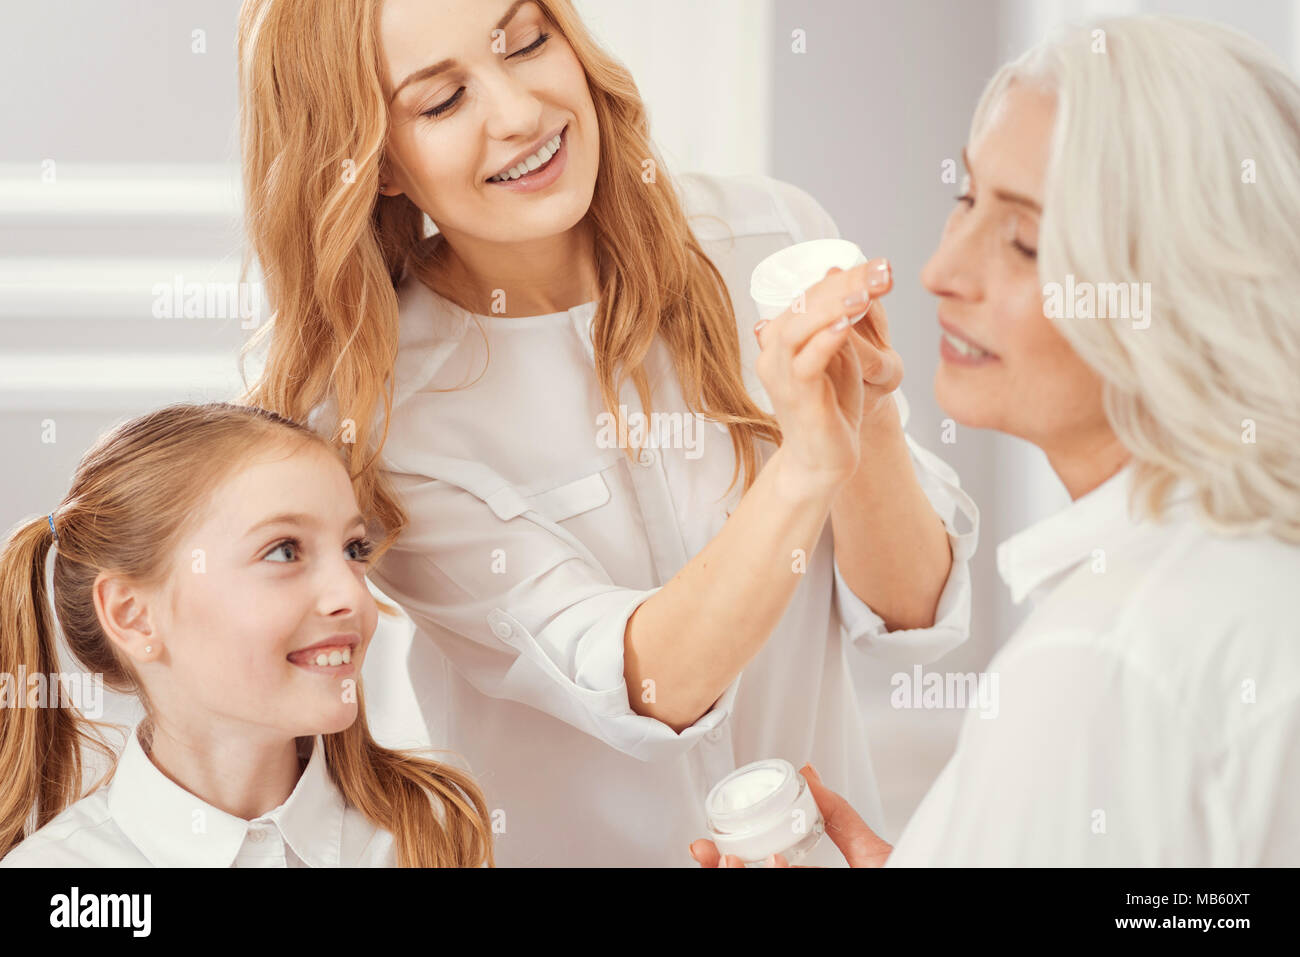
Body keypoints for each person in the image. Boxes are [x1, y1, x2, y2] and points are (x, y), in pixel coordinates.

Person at [235, 0, 978, 865]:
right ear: (378, 160)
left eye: (526, 42)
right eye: (442, 102)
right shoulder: (383, 417)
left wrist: (868, 419)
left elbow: (913, 607)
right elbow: (652, 683)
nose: (518, 113)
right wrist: (806, 466)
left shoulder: (765, 240)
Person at [693, 14, 1300, 867]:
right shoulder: (1241, 571)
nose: (941, 272)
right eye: (967, 199)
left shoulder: (1098, 664)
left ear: (1187, 285)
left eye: (1022, 242)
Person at [0, 402, 493, 867]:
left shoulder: (428, 832)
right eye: (284, 551)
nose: (350, 593)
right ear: (133, 616)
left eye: (354, 550)